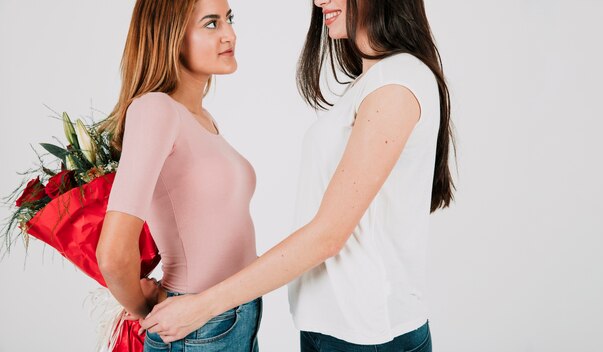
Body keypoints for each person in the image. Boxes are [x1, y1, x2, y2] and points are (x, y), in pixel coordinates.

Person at [141, 0, 454, 351]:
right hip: (334, 330)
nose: (320, 1)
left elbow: (328, 235)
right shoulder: (371, 81)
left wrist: (203, 306)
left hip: (371, 336)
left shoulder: (397, 82)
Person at [95, 0, 262, 351]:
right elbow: (112, 254)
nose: (229, 34)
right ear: (170, 36)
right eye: (211, 24)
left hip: (235, 315)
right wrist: (147, 313)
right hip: (197, 327)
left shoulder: (201, 119)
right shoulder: (155, 109)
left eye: (229, 20)